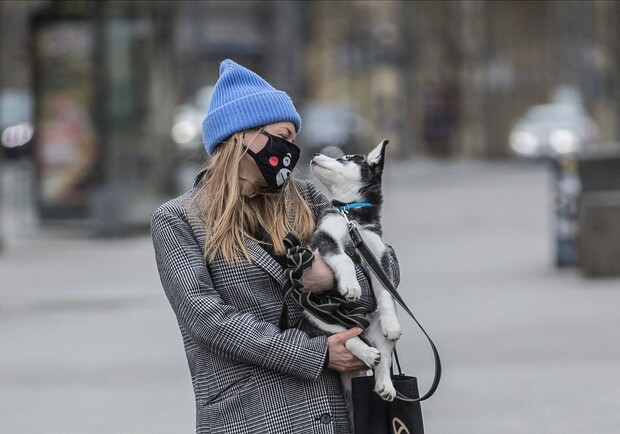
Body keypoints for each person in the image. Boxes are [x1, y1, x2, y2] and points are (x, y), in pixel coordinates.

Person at [151, 59, 400, 434]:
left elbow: (384, 265)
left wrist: (332, 278)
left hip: (334, 414)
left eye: (294, 141)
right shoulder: (177, 220)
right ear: (242, 136)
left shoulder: (308, 199)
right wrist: (316, 353)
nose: (290, 151)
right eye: (282, 136)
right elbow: (207, 319)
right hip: (248, 416)